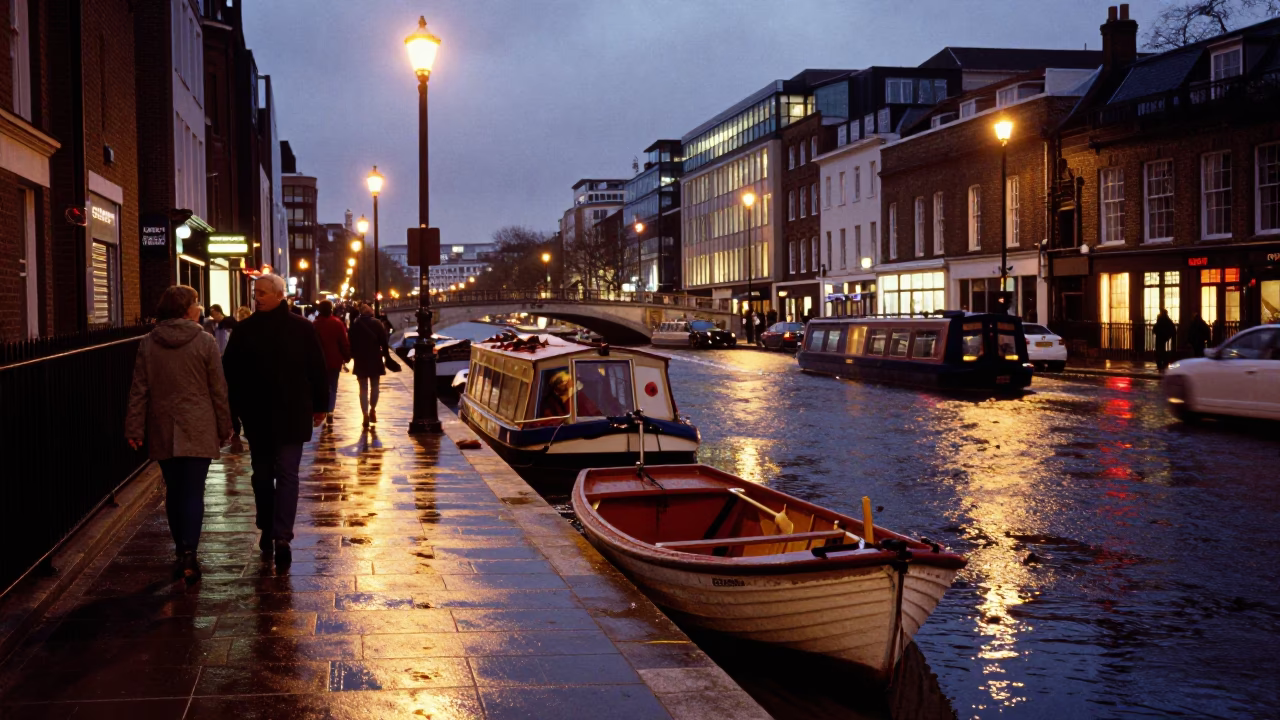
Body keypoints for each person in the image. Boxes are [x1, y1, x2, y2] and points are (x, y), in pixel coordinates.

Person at [125, 285, 232, 584]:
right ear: (186, 309)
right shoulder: (206, 342)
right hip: (198, 425)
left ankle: (179, 549)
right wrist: (225, 427)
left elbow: (139, 390)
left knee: (174, 490)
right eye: (196, 303)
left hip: (163, 425)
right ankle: (190, 553)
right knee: (193, 491)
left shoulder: (148, 343)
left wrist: (134, 427)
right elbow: (218, 390)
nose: (200, 307)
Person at [222, 274, 327, 569]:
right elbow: (230, 375)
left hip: (283, 414)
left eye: (264, 293)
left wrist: (320, 407)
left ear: (280, 295)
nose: (257, 297)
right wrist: (232, 412)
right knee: (264, 474)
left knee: (285, 473)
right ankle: (271, 527)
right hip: (262, 415)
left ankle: (280, 534)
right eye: (256, 292)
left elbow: (316, 370)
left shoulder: (298, 329)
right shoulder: (247, 330)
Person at [349, 303, 390, 428]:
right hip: (375, 358)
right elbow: (384, 341)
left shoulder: (355, 324)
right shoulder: (377, 323)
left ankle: (365, 414)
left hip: (360, 359)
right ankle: (373, 409)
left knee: (363, 388)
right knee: (375, 385)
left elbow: (350, 342)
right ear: (370, 312)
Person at [313, 300, 351, 425]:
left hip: (318, 361)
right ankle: (330, 411)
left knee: (319, 386)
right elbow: (343, 342)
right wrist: (347, 356)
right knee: (333, 387)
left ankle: (321, 410)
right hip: (334, 360)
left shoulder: (315, 324)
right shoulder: (337, 323)